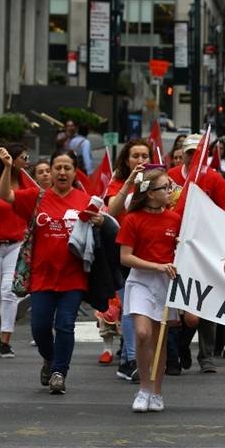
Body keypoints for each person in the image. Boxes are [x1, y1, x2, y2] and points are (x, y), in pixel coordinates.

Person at [0, 148, 102, 394]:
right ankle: (50, 358)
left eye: (67, 168)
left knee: (65, 325)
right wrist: (6, 167)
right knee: (40, 327)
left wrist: (100, 221)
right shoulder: (36, 197)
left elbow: (106, 223)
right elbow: (5, 195)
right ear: (51, 172)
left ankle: (59, 372)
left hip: (73, 276)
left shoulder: (84, 200)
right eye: (58, 168)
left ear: (75, 172)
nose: (62, 172)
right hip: (41, 276)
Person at [169, 133, 225, 374]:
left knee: (206, 301)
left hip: (205, 248)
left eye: (196, 152)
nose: (192, 157)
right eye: (188, 152)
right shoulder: (172, 176)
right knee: (181, 301)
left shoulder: (214, 179)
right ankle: (181, 347)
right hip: (176, 246)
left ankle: (206, 355)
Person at [116, 168, 181, 412]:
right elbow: (125, 258)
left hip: (166, 284)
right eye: (164, 187)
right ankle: (143, 388)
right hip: (141, 281)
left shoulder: (175, 220)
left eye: (169, 186)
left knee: (160, 339)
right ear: (150, 193)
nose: (169, 191)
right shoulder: (133, 219)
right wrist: (157, 266)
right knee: (143, 334)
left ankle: (157, 391)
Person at [105, 139, 152, 380]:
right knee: (130, 304)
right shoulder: (117, 183)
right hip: (122, 252)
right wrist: (130, 183)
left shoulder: (155, 183)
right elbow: (111, 212)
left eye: (145, 155)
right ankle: (132, 358)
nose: (141, 160)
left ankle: (127, 359)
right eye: (136, 156)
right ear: (126, 160)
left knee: (139, 307)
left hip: (149, 251)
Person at [0, 143, 30, 358]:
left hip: (16, 245)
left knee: (9, 292)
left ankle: (5, 340)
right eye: (23, 157)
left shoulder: (27, 184)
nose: (27, 161)